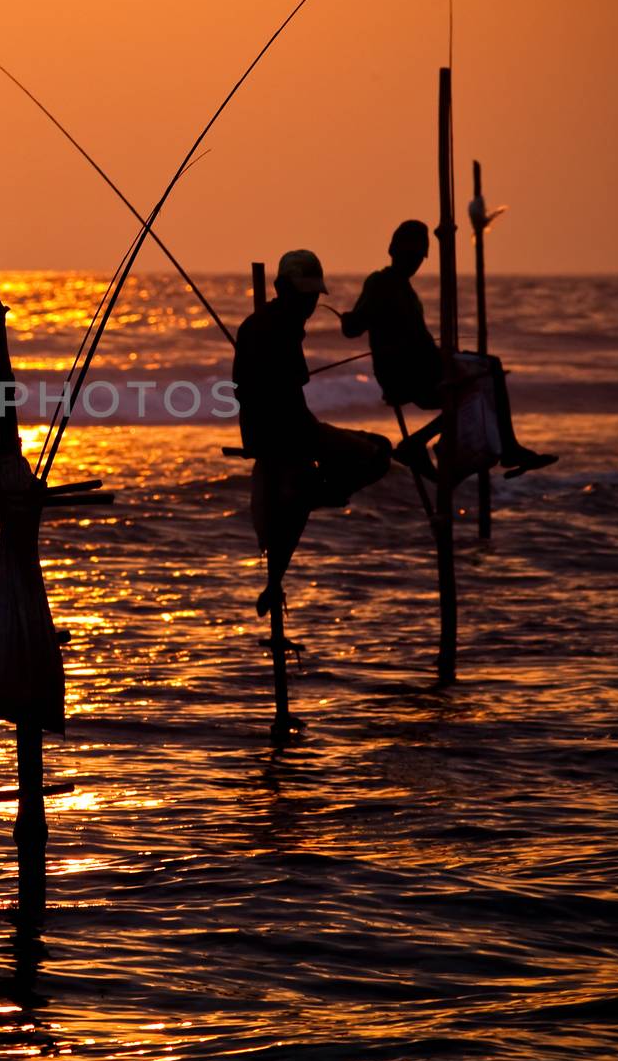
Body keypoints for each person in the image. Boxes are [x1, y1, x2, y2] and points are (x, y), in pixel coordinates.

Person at [233, 250, 392, 732]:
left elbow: (244, 385)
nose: (308, 307)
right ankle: (324, 494)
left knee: (299, 491)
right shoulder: (279, 328)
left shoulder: (256, 325)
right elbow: (290, 391)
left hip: (261, 435)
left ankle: (276, 577)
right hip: (291, 433)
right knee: (379, 451)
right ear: (286, 290)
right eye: (305, 297)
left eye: (311, 299)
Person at [340, 219, 556, 479]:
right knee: (481, 379)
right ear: (392, 251)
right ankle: (496, 449)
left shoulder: (406, 290)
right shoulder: (381, 282)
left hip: (424, 368)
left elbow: (416, 336)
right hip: (407, 376)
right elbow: (354, 329)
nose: (413, 263)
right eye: (409, 256)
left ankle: (437, 448)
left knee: (488, 371)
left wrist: (447, 353)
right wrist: (349, 318)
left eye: (418, 258)